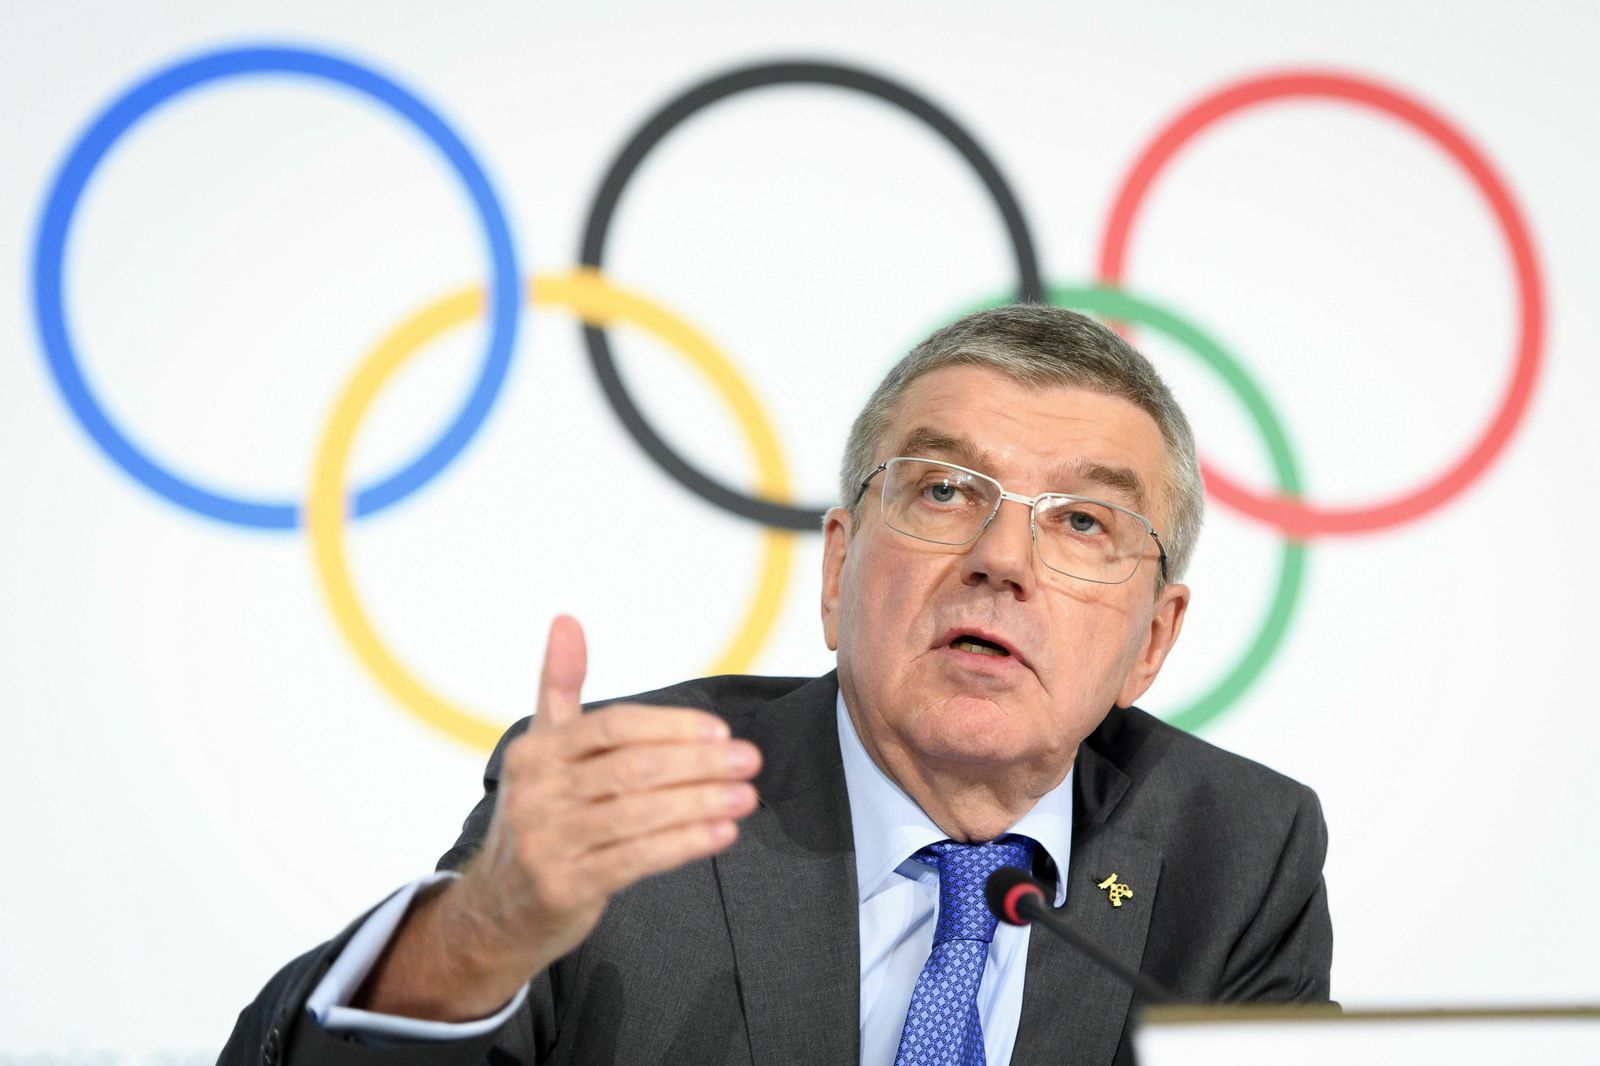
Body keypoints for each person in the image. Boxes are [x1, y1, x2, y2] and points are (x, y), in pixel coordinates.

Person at [224, 305, 1332, 1066]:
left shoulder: (1236, 851)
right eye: (944, 491)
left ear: (1153, 638)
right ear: (842, 564)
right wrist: (478, 935)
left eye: (1084, 521)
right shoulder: (633, 804)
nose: (1002, 557)